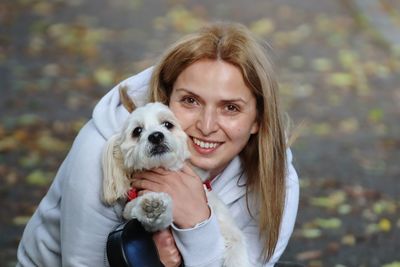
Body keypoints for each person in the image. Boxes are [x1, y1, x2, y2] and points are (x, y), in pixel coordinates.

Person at [17, 22, 299, 266]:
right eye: (190, 100)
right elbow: (82, 262)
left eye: (231, 108)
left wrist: (198, 223)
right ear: (165, 98)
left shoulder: (278, 181)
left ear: (257, 120)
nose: (207, 125)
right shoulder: (105, 148)